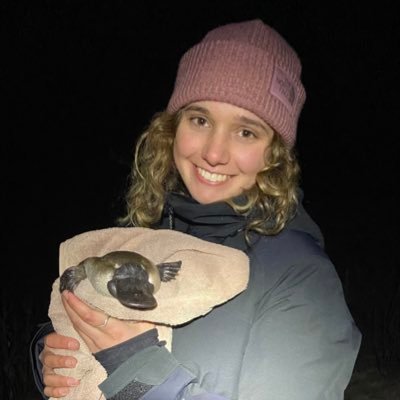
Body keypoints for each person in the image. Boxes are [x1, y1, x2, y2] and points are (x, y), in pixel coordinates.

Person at [30, 18, 361, 400]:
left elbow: (129, 367)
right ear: (171, 128)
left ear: (274, 154)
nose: (214, 153)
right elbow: (91, 318)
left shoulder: (301, 280)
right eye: (200, 119)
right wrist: (52, 354)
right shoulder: (150, 235)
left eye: (246, 131)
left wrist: (139, 374)